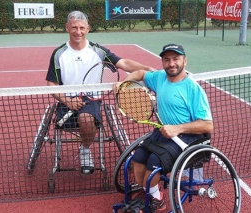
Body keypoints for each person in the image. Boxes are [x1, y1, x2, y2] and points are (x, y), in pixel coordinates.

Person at [46, 10, 154, 174]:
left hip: (92, 101)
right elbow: (51, 83)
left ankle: (85, 150)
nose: (78, 32)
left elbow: (123, 63)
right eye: (74, 27)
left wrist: (147, 69)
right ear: (67, 27)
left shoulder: (98, 51)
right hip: (65, 102)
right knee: (77, 119)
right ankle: (84, 146)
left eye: (82, 28)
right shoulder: (59, 54)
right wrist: (68, 101)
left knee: (86, 119)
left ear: (88, 29)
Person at [113, 44, 213, 212]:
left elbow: (208, 125)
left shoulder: (193, 88)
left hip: (189, 137)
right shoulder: (159, 77)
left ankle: (152, 197)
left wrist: (178, 129)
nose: (171, 63)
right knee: (137, 158)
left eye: (176, 59)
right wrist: (123, 83)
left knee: (153, 161)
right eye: (167, 59)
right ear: (163, 62)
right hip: (163, 133)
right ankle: (152, 195)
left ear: (184, 61)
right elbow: (140, 73)